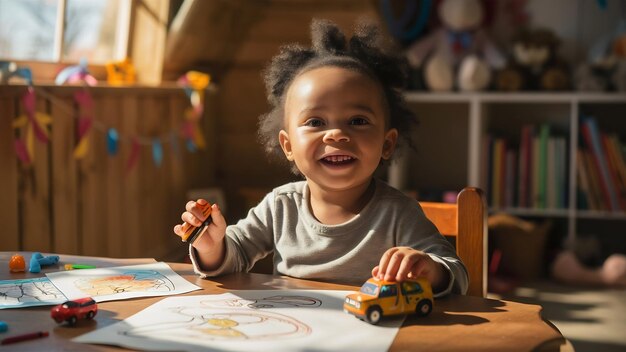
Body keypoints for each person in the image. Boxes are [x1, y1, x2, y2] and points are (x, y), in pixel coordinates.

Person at [173, 19, 468, 296]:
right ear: (288, 145)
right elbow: (233, 256)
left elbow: (457, 274)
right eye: (315, 122)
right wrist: (212, 246)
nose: (336, 135)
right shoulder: (280, 207)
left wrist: (430, 269)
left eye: (358, 121)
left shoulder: (399, 214)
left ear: (387, 143)